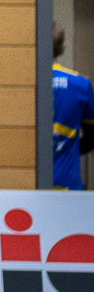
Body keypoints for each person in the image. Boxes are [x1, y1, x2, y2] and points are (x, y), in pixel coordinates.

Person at [54, 23, 94, 191]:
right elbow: (91, 138)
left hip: (28, 185)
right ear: (62, 47)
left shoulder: (25, 85)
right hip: (67, 184)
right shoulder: (80, 84)